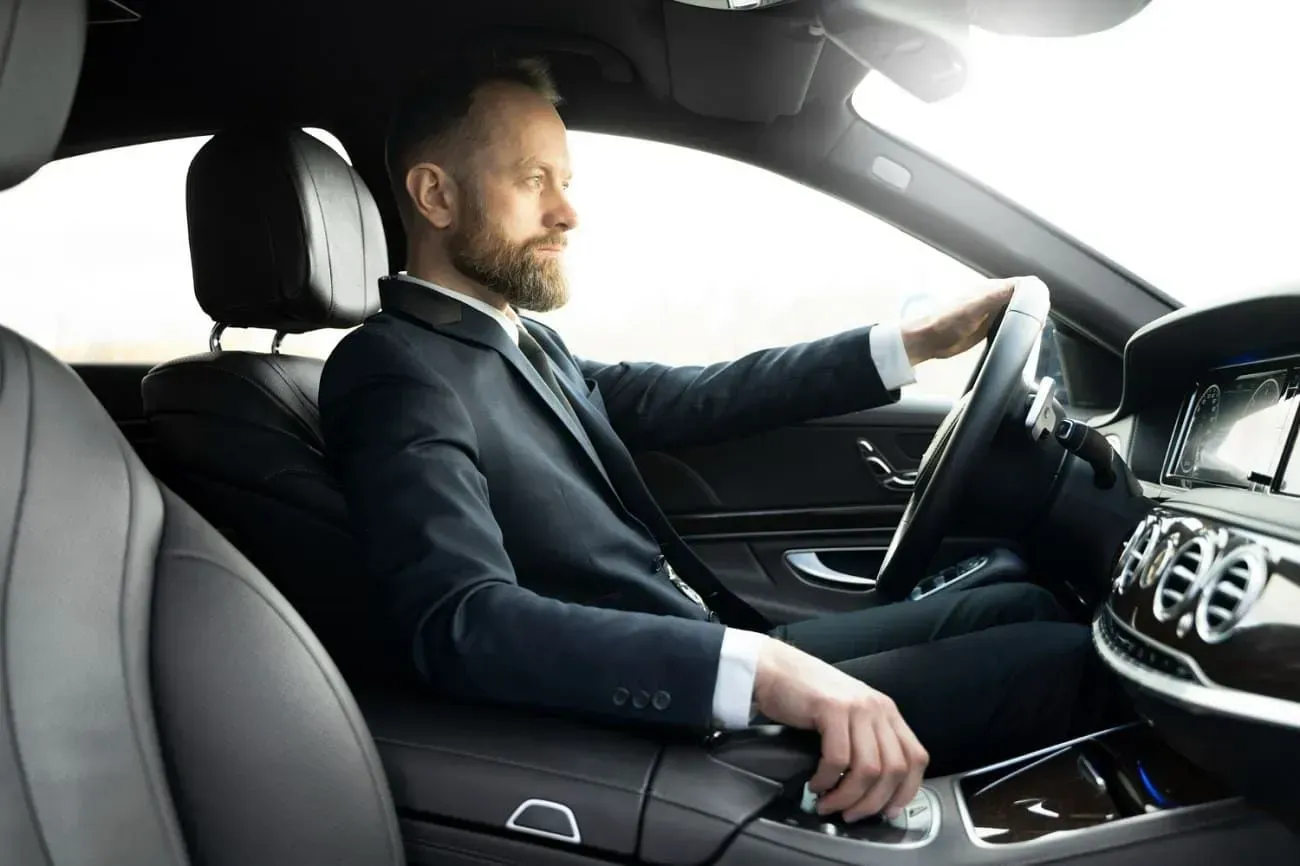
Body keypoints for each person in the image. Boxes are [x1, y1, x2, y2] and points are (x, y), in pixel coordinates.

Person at [320, 53, 1124, 824]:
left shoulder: (518, 341)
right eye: (535, 181)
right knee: (1079, 665)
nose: (569, 212)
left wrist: (911, 344)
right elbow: (462, 624)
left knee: (1017, 601)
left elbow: (699, 396)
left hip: (715, 646)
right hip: (672, 720)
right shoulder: (394, 371)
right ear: (435, 195)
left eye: (565, 182)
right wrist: (761, 673)